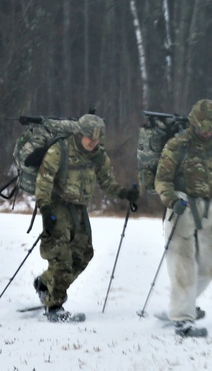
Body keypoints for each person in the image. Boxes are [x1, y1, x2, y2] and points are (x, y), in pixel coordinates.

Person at [32, 114, 140, 322]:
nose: (93, 142)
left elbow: (108, 183)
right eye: (89, 137)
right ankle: (54, 306)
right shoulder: (60, 150)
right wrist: (46, 210)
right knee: (61, 258)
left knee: (83, 256)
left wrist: (125, 193)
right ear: (79, 134)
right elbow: (43, 183)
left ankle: (45, 283)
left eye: (97, 139)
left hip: (79, 210)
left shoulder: (98, 156)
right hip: (57, 206)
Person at [154, 99, 212, 338]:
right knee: (182, 261)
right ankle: (181, 317)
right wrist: (171, 199)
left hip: (211, 206)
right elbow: (162, 179)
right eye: (204, 126)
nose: (208, 131)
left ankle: (183, 303)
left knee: (209, 264)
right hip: (182, 204)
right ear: (195, 123)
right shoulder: (177, 145)